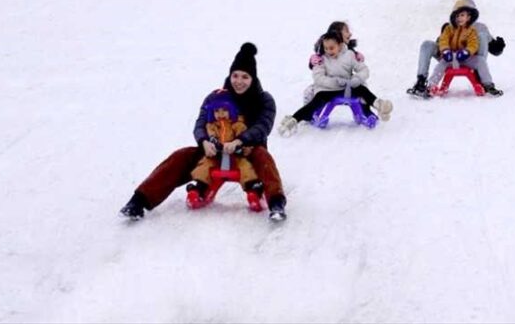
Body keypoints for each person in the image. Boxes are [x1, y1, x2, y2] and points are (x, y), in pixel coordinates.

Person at [119, 43, 288, 222]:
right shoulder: (215, 98)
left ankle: (276, 204)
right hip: (213, 151)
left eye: (245, 77)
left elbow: (263, 126)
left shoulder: (264, 100)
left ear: (253, 78)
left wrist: (240, 141)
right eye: (235, 75)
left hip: (246, 152)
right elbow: (200, 123)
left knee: (264, 159)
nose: (239, 81)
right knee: (181, 156)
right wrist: (204, 141)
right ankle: (138, 201)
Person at [278, 31, 394, 136]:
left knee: (361, 89)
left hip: (347, 87)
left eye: (331, 48)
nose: (328, 51)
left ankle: (379, 105)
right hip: (328, 89)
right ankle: (294, 120)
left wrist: (357, 79)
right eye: (326, 48)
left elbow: (363, 69)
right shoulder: (321, 59)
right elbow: (318, 78)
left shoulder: (349, 55)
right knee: (317, 101)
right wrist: (334, 82)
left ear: (339, 45)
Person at [407, 0, 504, 98]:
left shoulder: (476, 29)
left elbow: (476, 44)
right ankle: (424, 84)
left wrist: (496, 47)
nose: (459, 18)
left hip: (469, 58)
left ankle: (486, 83)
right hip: (449, 57)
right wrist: (445, 50)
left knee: (481, 55)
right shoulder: (449, 27)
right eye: (457, 15)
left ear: (470, 15)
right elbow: (442, 40)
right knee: (430, 49)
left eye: (463, 15)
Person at [189, 93, 259, 194]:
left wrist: (240, 147)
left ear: (232, 110)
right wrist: (212, 143)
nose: (221, 114)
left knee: (245, 166)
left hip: (235, 157)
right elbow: (210, 136)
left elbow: (243, 138)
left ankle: (252, 186)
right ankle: (200, 186)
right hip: (217, 157)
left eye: (224, 110)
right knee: (205, 164)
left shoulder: (237, 125)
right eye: (216, 111)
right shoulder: (211, 126)